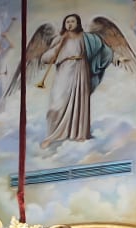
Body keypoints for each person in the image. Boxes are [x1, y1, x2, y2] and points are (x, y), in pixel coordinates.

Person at [38, 14, 115, 148]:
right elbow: (45, 59)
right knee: (55, 105)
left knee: (79, 102)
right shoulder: (59, 39)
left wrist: (111, 60)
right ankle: (53, 135)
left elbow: (104, 50)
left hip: (80, 70)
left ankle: (78, 134)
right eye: (67, 21)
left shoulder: (86, 38)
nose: (69, 24)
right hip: (64, 71)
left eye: (72, 21)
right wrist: (58, 46)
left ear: (78, 23)